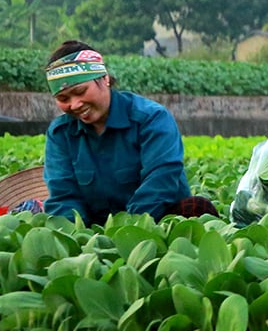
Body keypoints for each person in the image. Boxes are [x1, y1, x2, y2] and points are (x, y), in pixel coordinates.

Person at [42, 40, 218, 224]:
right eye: (63, 98)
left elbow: (161, 179)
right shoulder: (60, 134)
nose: (75, 104)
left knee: (199, 209)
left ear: (104, 78)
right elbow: (63, 196)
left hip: (157, 222)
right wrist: (78, 236)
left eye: (80, 91)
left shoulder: (151, 119)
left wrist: (129, 230)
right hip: (95, 233)